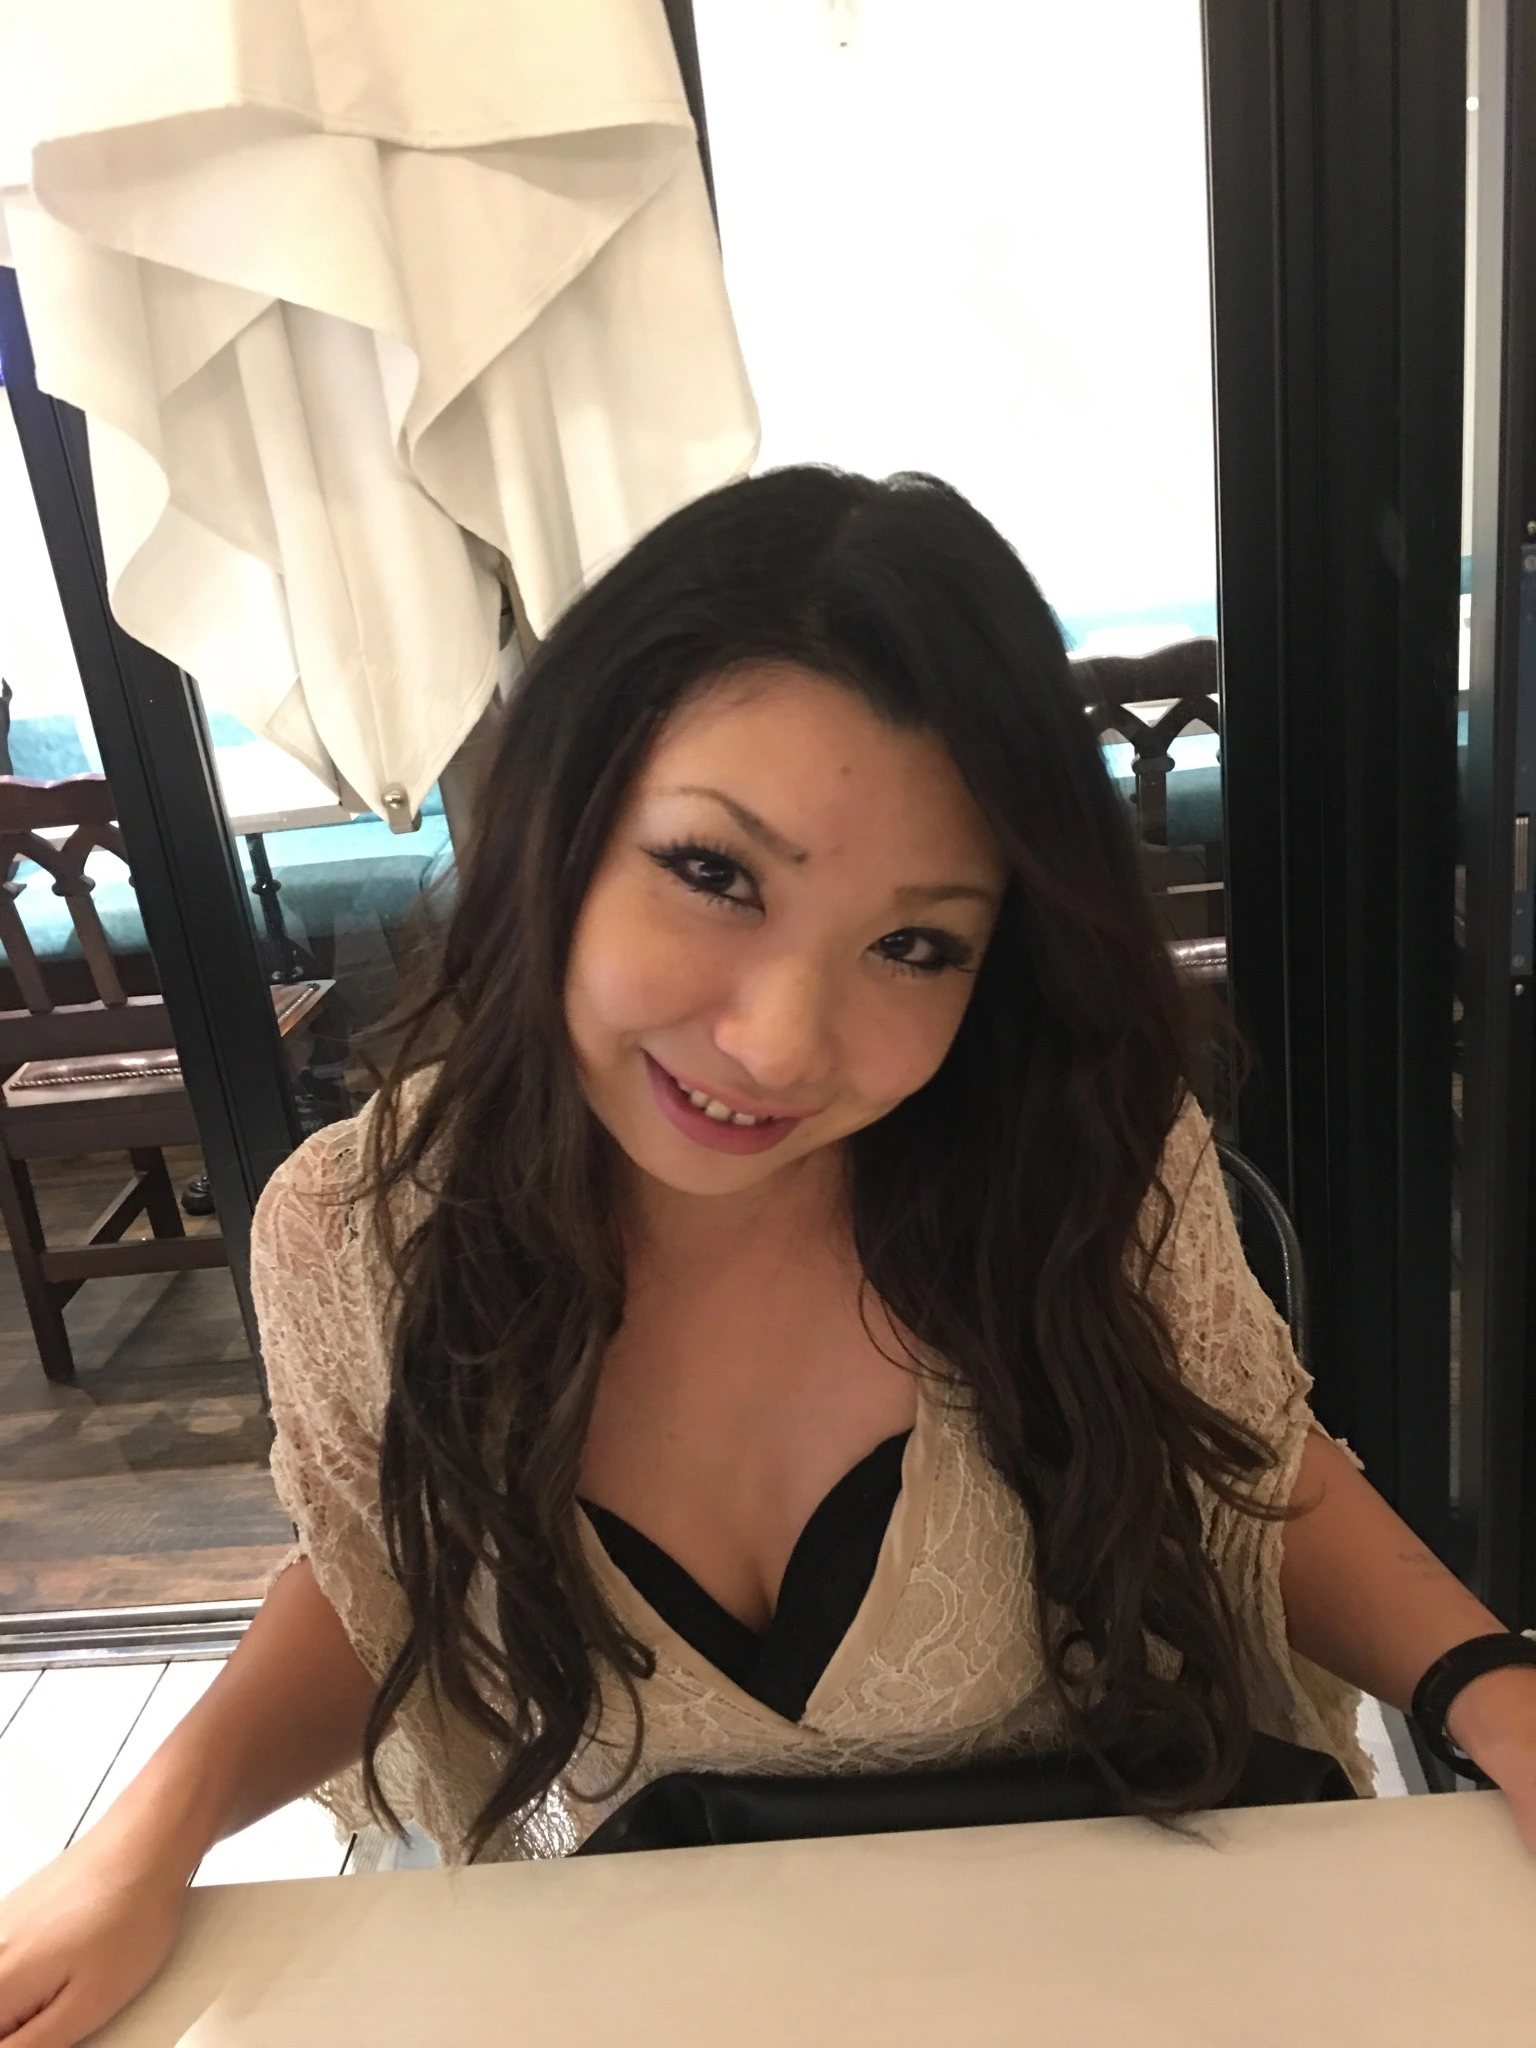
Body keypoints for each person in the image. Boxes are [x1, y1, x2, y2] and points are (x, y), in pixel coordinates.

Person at [2, 467, 1533, 2043]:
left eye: (915, 945)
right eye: (716, 873)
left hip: (1134, 1963)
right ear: (566, 819)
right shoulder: (359, 1231)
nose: (782, 1043)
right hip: (690, 1989)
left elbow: (1249, 1478)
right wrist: (144, 1837)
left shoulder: (1079, 1160)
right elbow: (379, 1577)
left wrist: (1497, 1691)